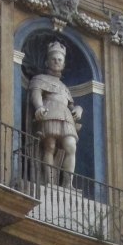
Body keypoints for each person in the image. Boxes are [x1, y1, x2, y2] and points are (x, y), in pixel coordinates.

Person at [29, 40, 82, 184]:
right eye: (54, 59)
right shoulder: (39, 79)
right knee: (50, 146)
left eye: (60, 60)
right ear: (47, 62)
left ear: (63, 64)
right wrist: (39, 107)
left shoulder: (65, 87)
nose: (57, 62)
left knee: (71, 146)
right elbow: (36, 94)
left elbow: (71, 105)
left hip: (66, 117)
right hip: (49, 112)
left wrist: (79, 109)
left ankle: (67, 184)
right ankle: (50, 183)